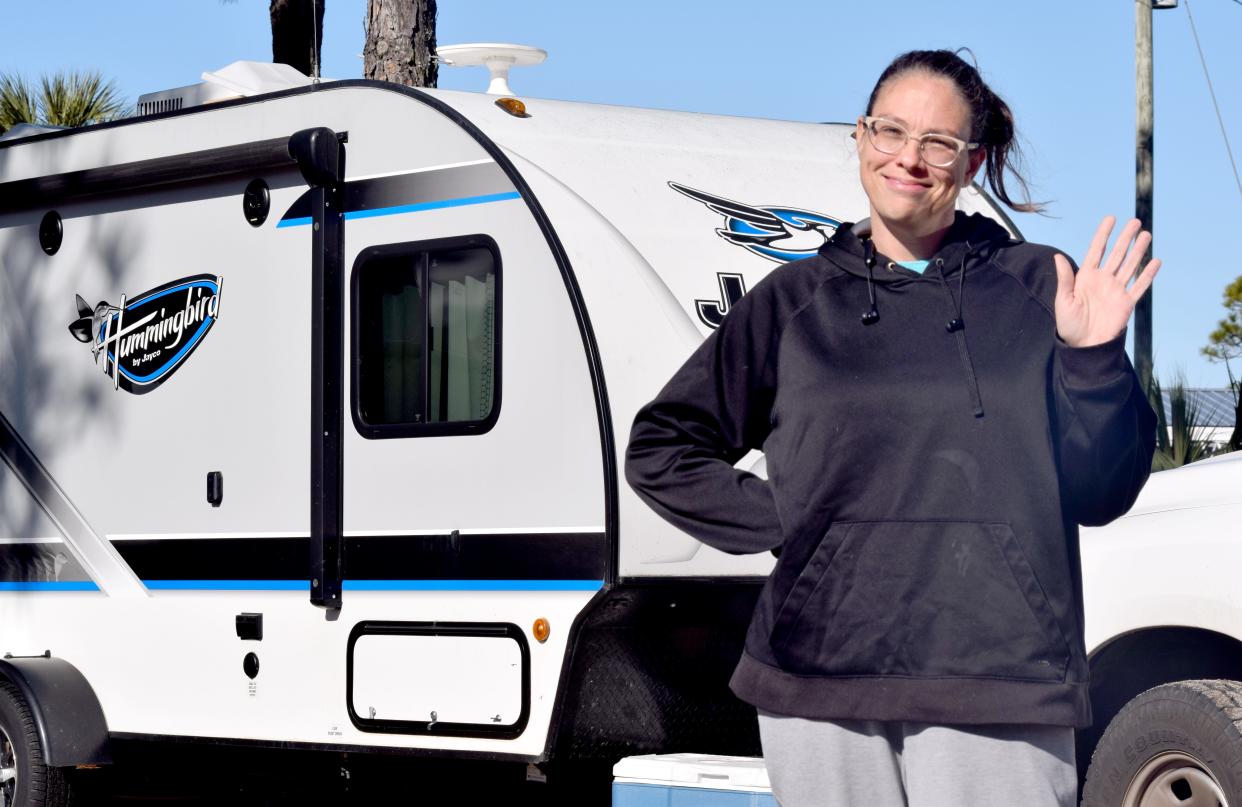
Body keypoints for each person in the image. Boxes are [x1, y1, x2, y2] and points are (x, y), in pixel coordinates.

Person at [624, 49, 1160, 807]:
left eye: (938, 143)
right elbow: (662, 447)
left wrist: (1095, 359)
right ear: (860, 137)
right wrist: (791, 520)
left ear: (970, 162)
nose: (909, 158)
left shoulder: (1042, 286)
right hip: (816, 676)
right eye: (891, 131)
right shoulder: (792, 302)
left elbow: (1102, 489)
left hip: (1001, 679)